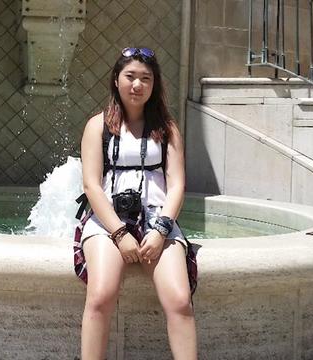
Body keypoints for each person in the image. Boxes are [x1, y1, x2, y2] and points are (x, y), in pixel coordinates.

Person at [75, 47, 197, 359]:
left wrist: (161, 230)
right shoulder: (97, 126)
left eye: (146, 78)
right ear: (116, 80)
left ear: (154, 85)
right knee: (101, 296)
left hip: (158, 219)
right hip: (107, 222)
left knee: (180, 301)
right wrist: (118, 233)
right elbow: (91, 185)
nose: (137, 85)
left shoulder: (167, 129)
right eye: (130, 76)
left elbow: (178, 184)